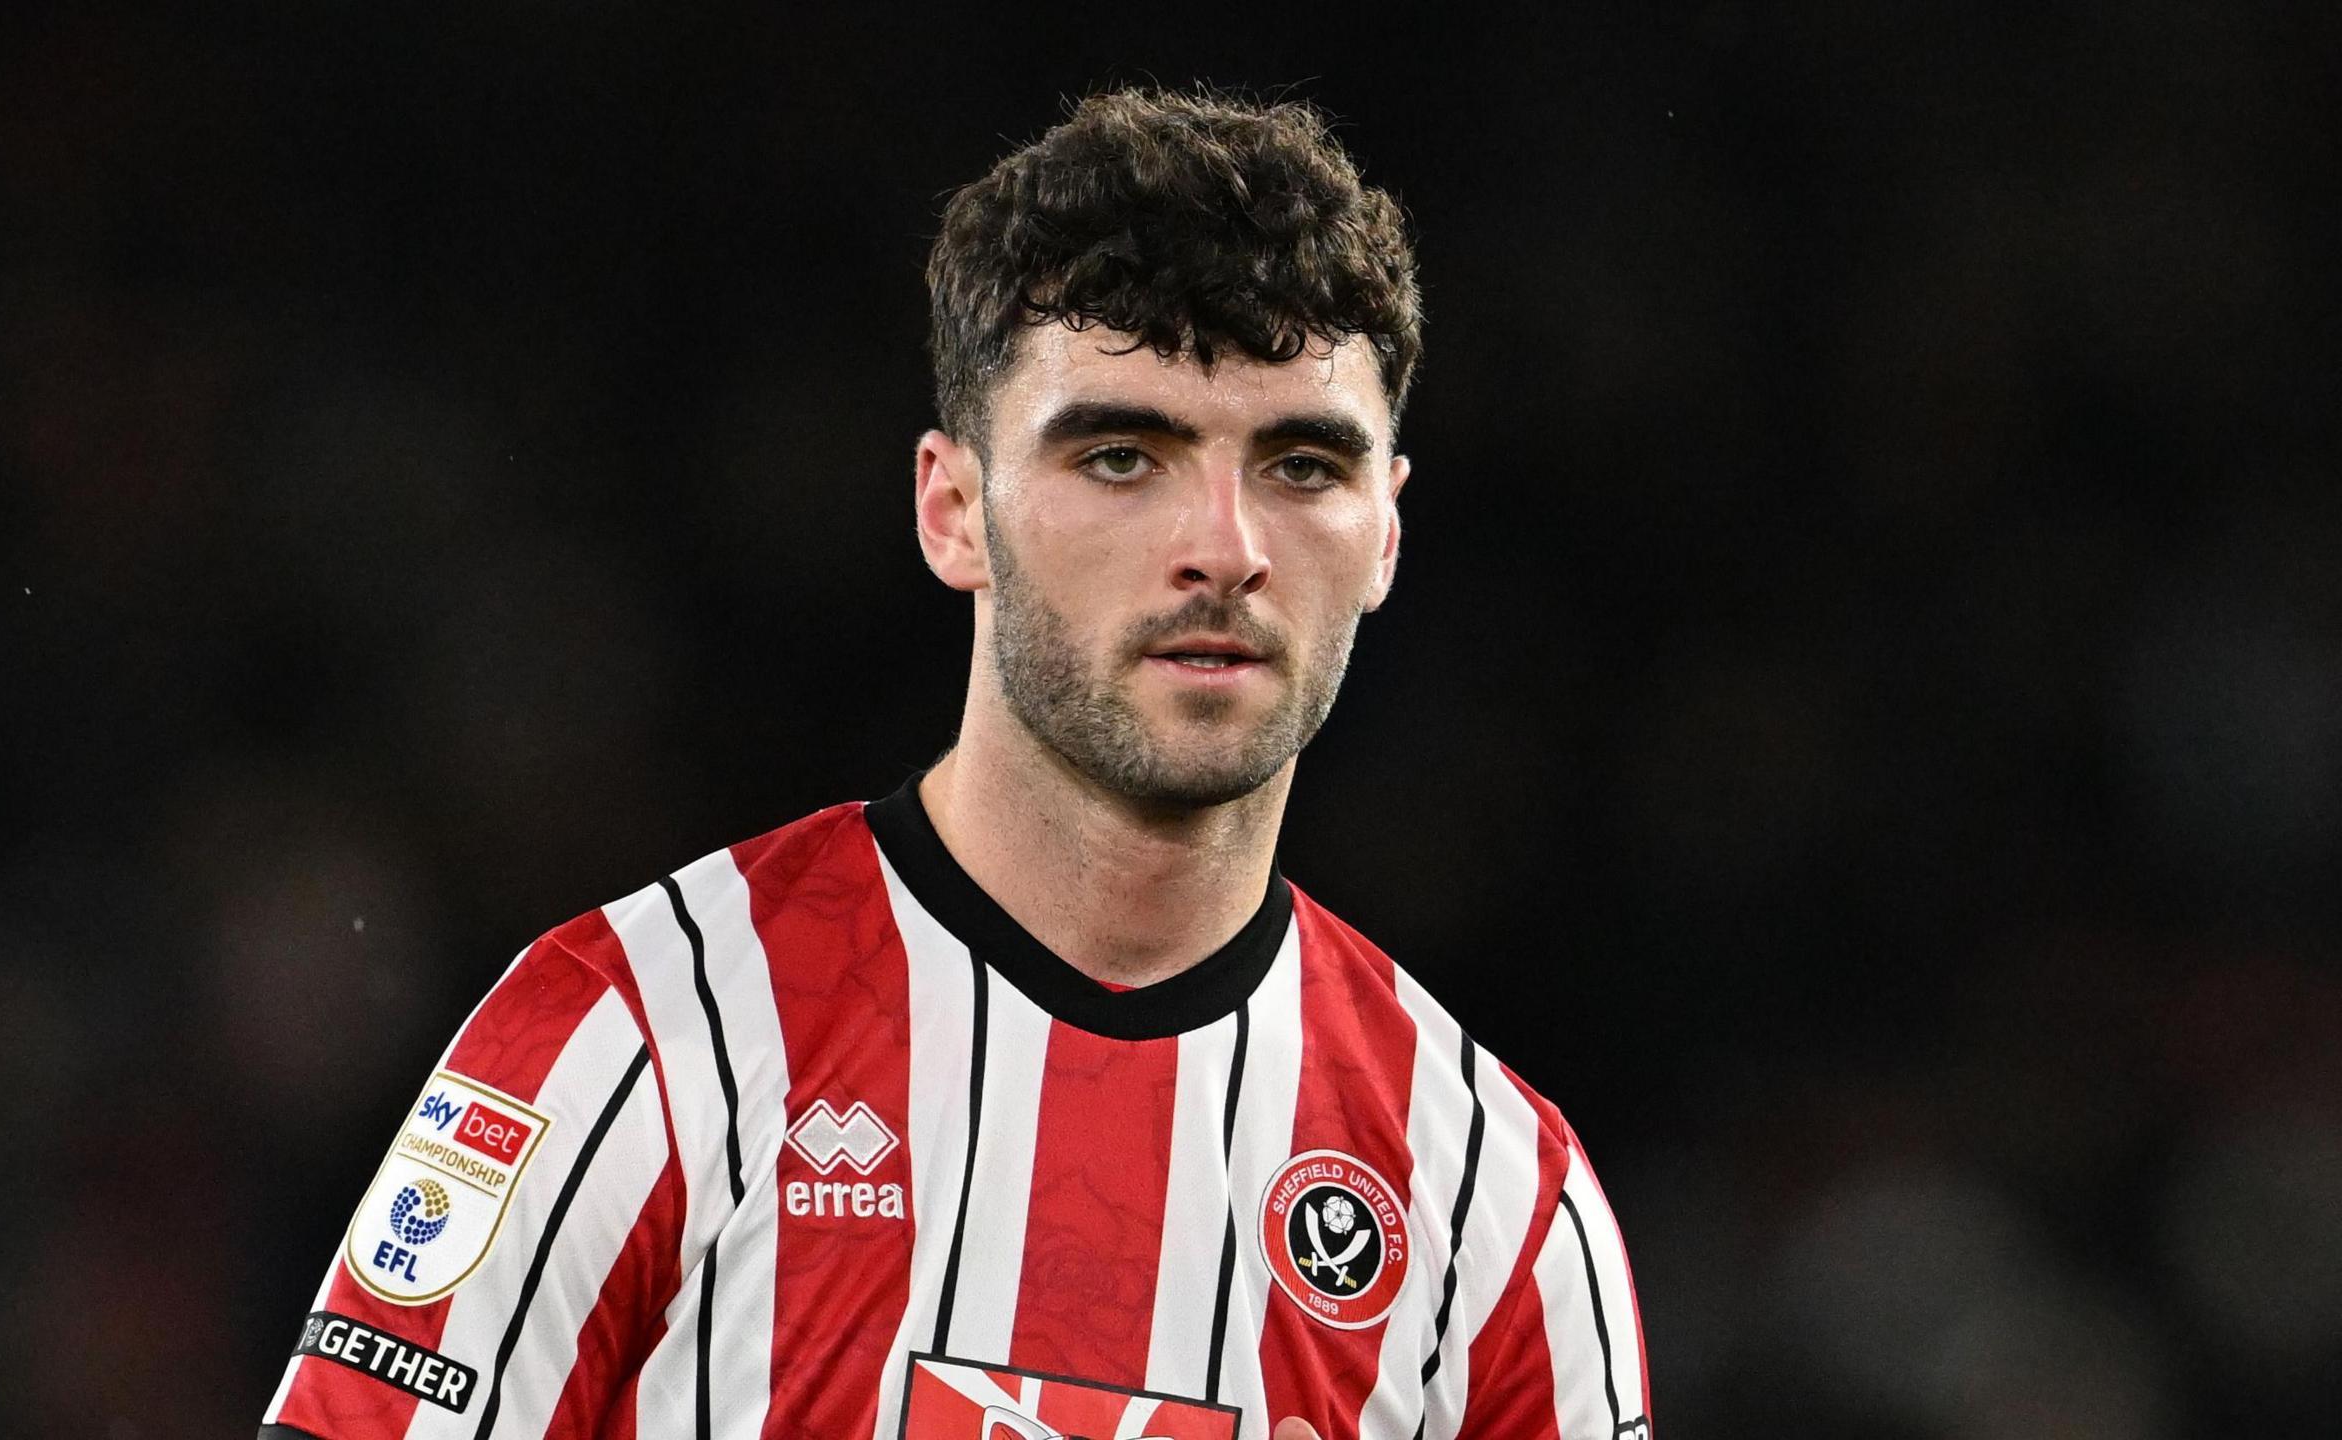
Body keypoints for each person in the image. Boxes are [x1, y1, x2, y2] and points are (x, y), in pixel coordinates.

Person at [262, 87, 1650, 1440]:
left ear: (1387, 533)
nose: (1226, 548)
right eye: (1122, 456)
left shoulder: (1497, 1207)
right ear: (952, 510)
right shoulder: (631, 1040)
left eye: (1301, 466)